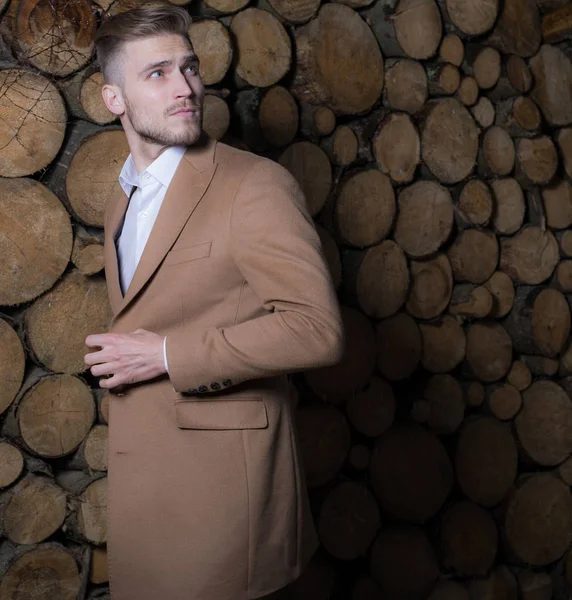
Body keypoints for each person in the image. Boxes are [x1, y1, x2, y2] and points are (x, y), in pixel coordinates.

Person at [84, 6, 344, 600]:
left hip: (225, 507)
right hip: (146, 492)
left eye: (190, 68)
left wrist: (169, 354)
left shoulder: (254, 185)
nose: (185, 88)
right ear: (113, 100)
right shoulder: (120, 200)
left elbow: (317, 329)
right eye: (157, 74)